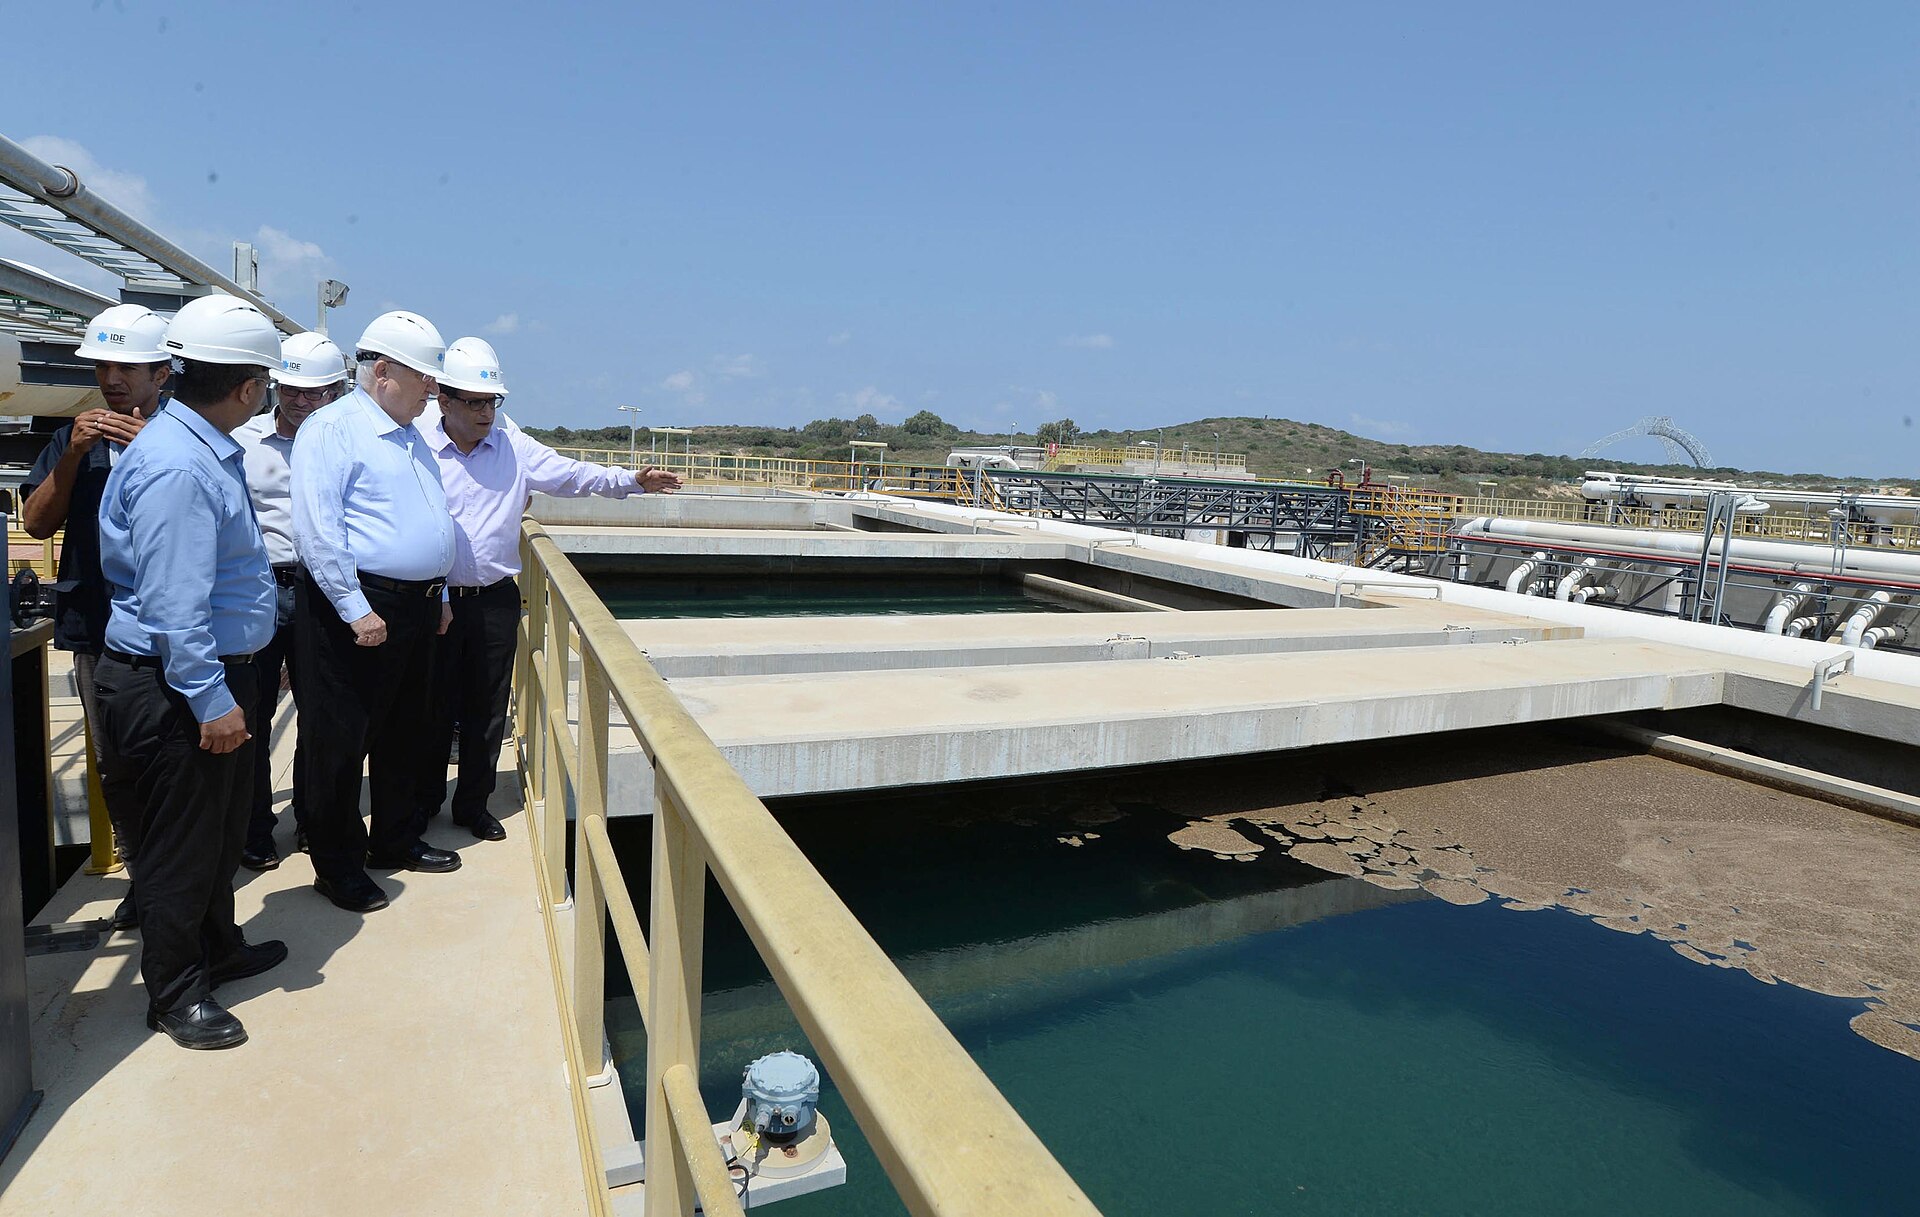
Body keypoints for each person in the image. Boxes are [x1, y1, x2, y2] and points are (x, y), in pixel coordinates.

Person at [93, 293, 285, 1049]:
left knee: (215, 834)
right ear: (246, 389)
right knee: (178, 848)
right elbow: (176, 605)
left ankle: (219, 947)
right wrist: (210, 699)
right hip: (176, 686)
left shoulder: (195, 445)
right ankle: (175, 994)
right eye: (265, 382)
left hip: (208, 675)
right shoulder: (179, 466)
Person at [423, 338, 681, 839]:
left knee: (487, 708)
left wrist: (632, 479)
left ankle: (472, 805)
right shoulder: (418, 446)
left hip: (495, 598)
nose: (484, 412)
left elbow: (574, 476)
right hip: (436, 599)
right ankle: (424, 799)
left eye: (491, 402)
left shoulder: (514, 447)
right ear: (444, 400)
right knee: (429, 707)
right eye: (474, 402)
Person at [290, 311, 458, 914]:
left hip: (413, 607)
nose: (433, 391)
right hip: (358, 605)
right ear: (382, 372)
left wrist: (436, 593)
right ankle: (336, 865)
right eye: (425, 379)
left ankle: (394, 838)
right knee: (340, 739)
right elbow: (317, 529)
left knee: (404, 731)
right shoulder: (332, 429)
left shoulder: (410, 433)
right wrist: (355, 607)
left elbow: (427, 517)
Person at [21, 304, 172, 932]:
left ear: (162, 373)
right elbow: (35, 522)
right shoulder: (71, 438)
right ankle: (146, 882)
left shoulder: (184, 437)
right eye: (103, 366)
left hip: (170, 628)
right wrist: (74, 456)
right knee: (116, 763)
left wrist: (151, 454)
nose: (112, 379)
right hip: (96, 626)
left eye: (127, 367)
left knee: (179, 761)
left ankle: (181, 879)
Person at [232, 332, 349, 870]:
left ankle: (312, 820)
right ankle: (255, 829)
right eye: (294, 389)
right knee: (252, 717)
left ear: (336, 391)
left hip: (322, 590)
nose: (303, 401)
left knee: (322, 717)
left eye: (317, 392)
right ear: (275, 384)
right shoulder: (243, 440)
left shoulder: (344, 444)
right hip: (260, 587)